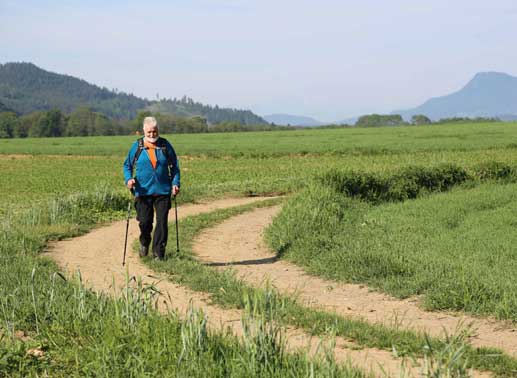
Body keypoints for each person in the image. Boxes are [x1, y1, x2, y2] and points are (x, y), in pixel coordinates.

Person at [123, 116, 180, 260]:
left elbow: (175, 167)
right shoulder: (137, 146)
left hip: (163, 190)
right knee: (145, 222)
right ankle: (144, 242)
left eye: (154, 132)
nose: (152, 135)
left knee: (161, 222)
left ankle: (158, 254)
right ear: (144, 131)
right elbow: (127, 166)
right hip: (143, 190)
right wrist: (129, 179)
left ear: (158, 130)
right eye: (149, 132)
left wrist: (175, 183)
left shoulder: (165, 145)